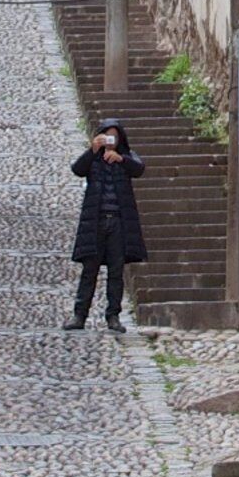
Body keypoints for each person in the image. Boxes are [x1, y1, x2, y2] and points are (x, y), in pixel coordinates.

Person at [69, 119, 147, 331]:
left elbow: (139, 168)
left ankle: (113, 316)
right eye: (107, 136)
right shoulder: (93, 159)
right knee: (89, 271)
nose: (110, 141)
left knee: (116, 271)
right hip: (95, 222)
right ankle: (79, 315)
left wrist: (120, 159)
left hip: (118, 222)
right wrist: (92, 149)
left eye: (114, 136)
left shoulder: (126, 157)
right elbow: (77, 169)